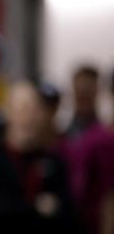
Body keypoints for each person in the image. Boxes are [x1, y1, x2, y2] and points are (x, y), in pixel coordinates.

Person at [0, 82, 77, 233]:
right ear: (8, 112)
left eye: (34, 110)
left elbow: (68, 213)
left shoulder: (55, 162)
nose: (28, 117)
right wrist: (36, 208)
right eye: (22, 109)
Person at [56, 66, 114, 234]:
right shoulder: (60, 139)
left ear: (97, 91)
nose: (83, 94)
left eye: (88, 89)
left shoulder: (107, 140)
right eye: (79, 89)